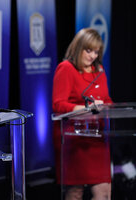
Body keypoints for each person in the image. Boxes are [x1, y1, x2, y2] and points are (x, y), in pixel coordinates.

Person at [52, 28, 112, 200]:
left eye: (96, 52)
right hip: (73, 138)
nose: (93, 56)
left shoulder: (98, 71)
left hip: (97, 138)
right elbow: (58, 104)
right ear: (79, 48)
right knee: (75, 192)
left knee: (104, 192)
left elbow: (106, 100)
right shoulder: (66, 68)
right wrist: (85, 108)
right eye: (89, 50)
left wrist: (110, 107)